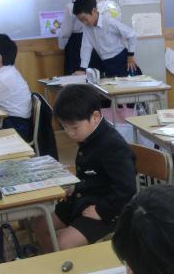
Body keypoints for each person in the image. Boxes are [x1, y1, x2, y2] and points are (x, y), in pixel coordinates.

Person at [32, 84, 136, 251]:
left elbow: (126, 189)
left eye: (74, 128)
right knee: (40, 224)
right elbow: (93, 175)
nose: (70, 133)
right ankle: (56, 261)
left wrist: (101, 211)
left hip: (111, 209)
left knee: (64, 243)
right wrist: (77, 186)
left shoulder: (113, 146)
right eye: (65, 127)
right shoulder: (89, 134)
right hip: (85, 197)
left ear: (95, 117)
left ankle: (65, 262)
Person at [72, 0, 139, 77]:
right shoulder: (87, 28)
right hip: (106, 63)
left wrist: (130, 56)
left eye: (85, 19)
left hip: (122, 60)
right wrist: (83, 68)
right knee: (112, 84)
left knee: (129, 82)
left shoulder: (108, 21)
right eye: (81, 20)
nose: (84, 23)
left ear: (94, 11)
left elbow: (132, 35)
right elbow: (86, 47)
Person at [58, 0, 102, 75]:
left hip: (76, 44)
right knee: (93, 74)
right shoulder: (94, 2)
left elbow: (65, 32)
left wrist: (60, 42)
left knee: (76, 75)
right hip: (94, 41)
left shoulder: (71, 6)